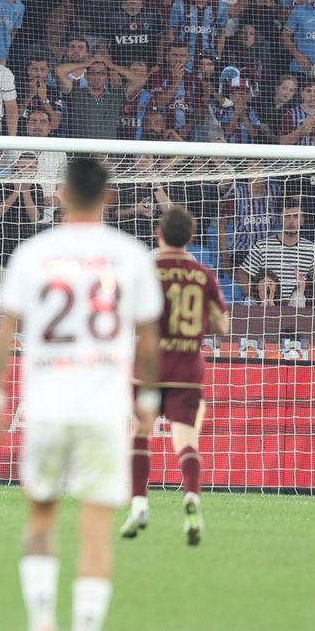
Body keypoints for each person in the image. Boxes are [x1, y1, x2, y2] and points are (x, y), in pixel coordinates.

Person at [0, 157, 163, 631]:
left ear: (61, 194)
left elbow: (5, 328)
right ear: (108, 197)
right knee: (96, 526)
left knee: (41, 515)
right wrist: (148, 402)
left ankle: (41, 624)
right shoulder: (131, 255)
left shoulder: (33, 252)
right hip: (104, 408)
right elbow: (149, 339)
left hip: (46, 405)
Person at [121, 206, 230, 545]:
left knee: (140, 432)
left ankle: (139, 505)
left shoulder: (147, 270)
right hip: (187, 369)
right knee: (186, 440)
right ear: (191, 238)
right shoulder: (203, 274)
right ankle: (192, 496)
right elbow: (223, 327)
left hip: (149, 369)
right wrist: (199, 323)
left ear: (159, 234)